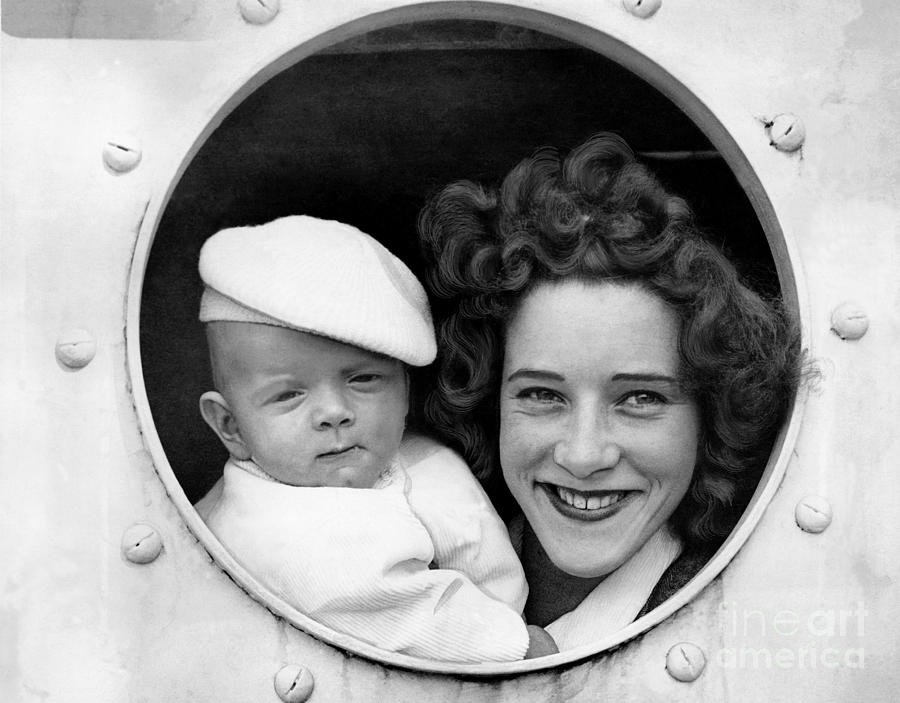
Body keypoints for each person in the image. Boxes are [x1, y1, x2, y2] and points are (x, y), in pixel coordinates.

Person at [418, 133, 805, 651]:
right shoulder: (404, 568)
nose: (583, 456)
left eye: (641, 399)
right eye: (541, 395)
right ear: (490, 403)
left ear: (712, 419)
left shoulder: (760, 630)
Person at [192, 215, 557, 662]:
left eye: (363, 379)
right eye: (289, 395)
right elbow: (407, 618)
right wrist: (518, 648)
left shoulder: (407, 454)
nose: (334, 413)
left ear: (407, 389)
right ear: (231, 427)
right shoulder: (279, 534)